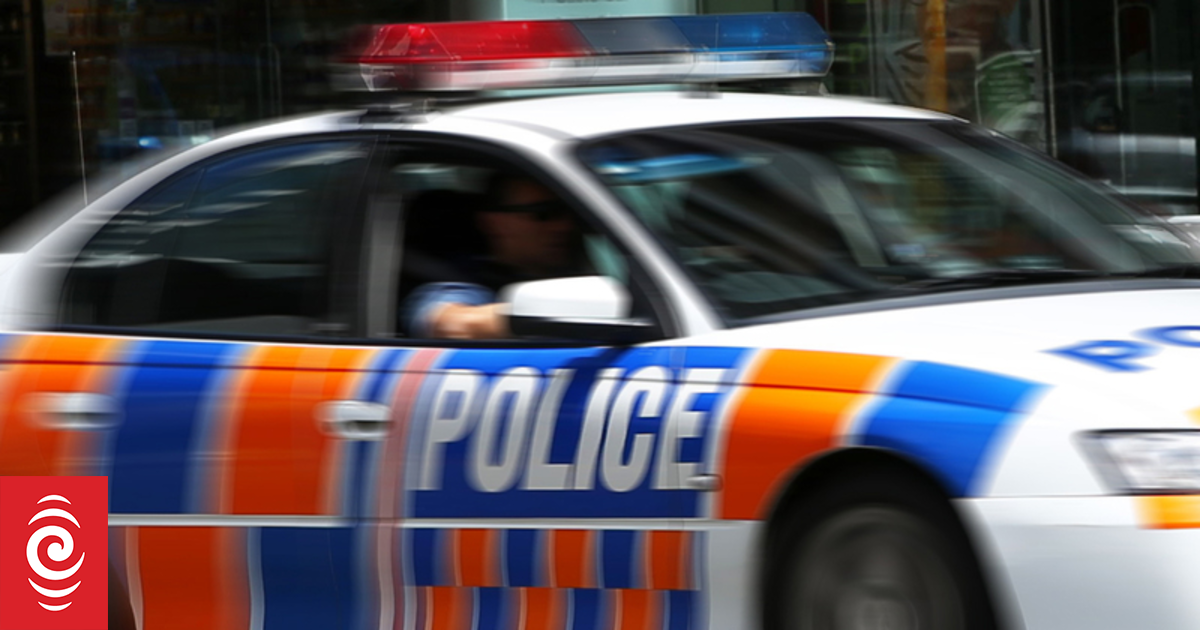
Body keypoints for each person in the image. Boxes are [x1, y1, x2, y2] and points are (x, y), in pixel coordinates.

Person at [401, 175, 583, 339]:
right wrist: (567, 312)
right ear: (494, 222)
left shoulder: (584, 270)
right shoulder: (460, 281)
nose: (564, 226)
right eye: (543, 214)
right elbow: (450, 323)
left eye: (567, 212)